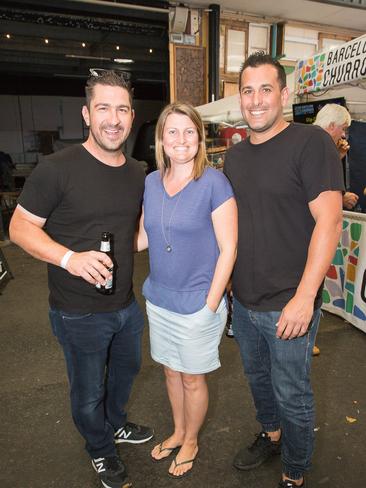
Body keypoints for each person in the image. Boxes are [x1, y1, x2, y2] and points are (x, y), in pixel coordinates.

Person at [9, 70, 153, 488]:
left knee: (126, 374)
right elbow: (19, 228)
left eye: (122, 109)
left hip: (125, 304)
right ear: (87, 114)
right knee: (88, 391)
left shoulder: (136, 171)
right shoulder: (57, 168)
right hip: (77, 311)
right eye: (104, 108)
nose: (114, 118)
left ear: (131, 115)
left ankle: (115, 424)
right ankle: (100, 448)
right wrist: (69, 258)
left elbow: (134, 235)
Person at [224, 52, 343, 488]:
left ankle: (295, 470)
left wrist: (304, 298)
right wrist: (230, 287)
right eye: (247, 90)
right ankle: (271, 435)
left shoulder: (311, 144)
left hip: (289, 303)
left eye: (266, 89)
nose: (256, 100)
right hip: (246, 299)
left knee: (293, 393)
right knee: (258, 381)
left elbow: (329, 222)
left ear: (285, 94)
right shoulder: (235, 158)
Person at [136, 102, 237, 478]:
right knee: (170, 373)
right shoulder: (150, 181)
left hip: (197, 304)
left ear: (199, 137)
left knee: (193, 377)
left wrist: (211, 305)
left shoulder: (214, 182)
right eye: (172, 132)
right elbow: (145, 237)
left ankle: (191, 439)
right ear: (161, 138)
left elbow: (229, 249)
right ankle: (177, 431)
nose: (181, 139)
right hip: (159, 300)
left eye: (189, 131)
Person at [313, 103, 358, 210]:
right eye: (343, 128)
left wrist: (337, 156)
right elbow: (311, 189)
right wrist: (339, 199)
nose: (343, 135)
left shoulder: (312, 140)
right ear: (332, 125)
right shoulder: (315, 146)